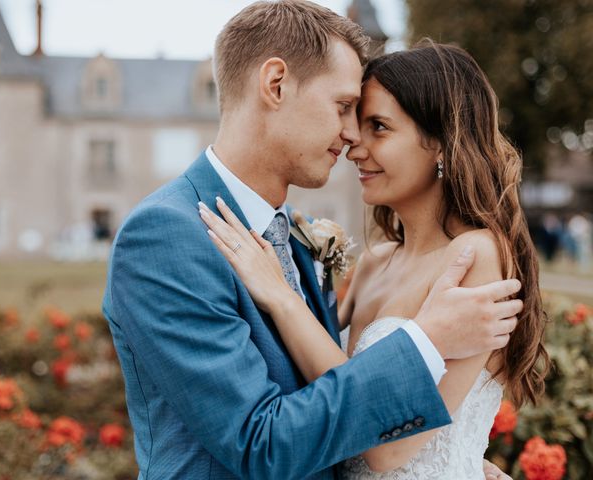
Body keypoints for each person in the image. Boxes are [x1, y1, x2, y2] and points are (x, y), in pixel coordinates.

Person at [102, 2, 521, 478]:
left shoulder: (296, 237)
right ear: (275, 84)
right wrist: (429, 340)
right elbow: (262, 443)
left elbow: (338, 404)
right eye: (344, 108)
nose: (349, 137)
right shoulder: (167, 235)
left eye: (371, 123)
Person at [200, 39, 548, 478]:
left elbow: (386, 447)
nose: (354, 146)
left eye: (379, 128)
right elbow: (332, 392)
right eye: (356, 124)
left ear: (441, 143)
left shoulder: (475, 255)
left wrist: (281, 297)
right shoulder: (375, 261)